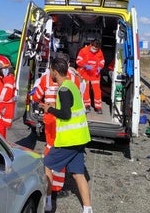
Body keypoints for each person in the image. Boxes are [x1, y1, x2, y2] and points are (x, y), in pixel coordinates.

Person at [39, 57, 93, 213]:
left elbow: (65, 114)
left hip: (69, 140)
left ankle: (48, 202)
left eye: (50, 70)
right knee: (78, 174)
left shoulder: (63, 89)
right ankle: (88, 209)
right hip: (80, 138)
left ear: (55, 72)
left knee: (46, 164)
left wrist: (49, 109)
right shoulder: (72, 86)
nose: (49, 73)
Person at [30, 53, 85, 194]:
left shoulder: (46, 78)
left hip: (52, 119)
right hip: (68, 125)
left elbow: (36, 97)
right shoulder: (74, 79)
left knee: (51, 150)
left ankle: (50, 189)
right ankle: (58, 187)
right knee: (61, 153)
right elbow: (78, 98)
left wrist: (36, 93)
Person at [76, 39, 105, 114]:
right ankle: (87, 105)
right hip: (85, 73)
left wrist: (100, 67)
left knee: (97, 90)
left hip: (95, 74)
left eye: (96, 49)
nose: (95, 50)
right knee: (86, 89)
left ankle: (98, 107)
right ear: (91, 45)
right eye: (94, 48)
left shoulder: (100, 51)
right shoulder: (83, 50)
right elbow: (78, 61)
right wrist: (85, 65)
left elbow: (102, 61)